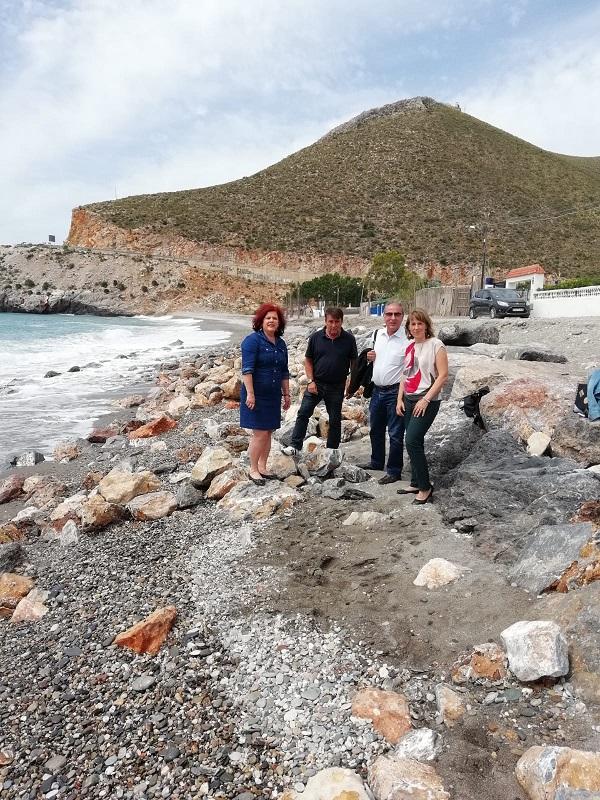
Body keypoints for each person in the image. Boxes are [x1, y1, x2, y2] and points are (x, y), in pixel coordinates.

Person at [283, 307, 358, 454]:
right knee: (303, 413)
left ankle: (332, 451)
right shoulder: (316, 337)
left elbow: (354, 363)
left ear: (342, 321)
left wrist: (352, 383)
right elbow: (308, 360)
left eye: (337, 322)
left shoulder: (349, 339)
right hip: (316, 384)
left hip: (337, 386)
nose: (334, 325)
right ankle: (295, 446)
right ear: (325, 321)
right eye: (331, 321)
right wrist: (310, 381)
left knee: (335, 420)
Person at [396, 308, 448, 504]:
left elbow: (443, 375)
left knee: (412, 440)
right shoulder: (409, 346)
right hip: (409, 399)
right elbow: (405, 374)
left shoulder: (436, 345)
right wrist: (399, 399)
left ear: (426, 325)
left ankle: (426, 488)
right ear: (408, 327)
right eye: (412, 324)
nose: (416, 327)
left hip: (427, 401)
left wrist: (426, 399)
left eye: (419, 323)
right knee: (412, 441)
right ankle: (416, 481)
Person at [357, 300, 409, 484]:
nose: (392, 318)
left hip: (396, 391)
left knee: (395, 433)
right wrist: (370, 356)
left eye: (397, 314)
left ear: (402, 316)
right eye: (389, 314)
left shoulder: (407, 339)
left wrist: (402, 397)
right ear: (383, 316)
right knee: (375, 430)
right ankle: (376, 462)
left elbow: (409, 370)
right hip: (377, 390)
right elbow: (374, 358)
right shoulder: (377, 334)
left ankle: (394, 471)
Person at [240, 303, 291, 485]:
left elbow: (284, 371)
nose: (271, 321)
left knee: (269, 432)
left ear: (279, 322)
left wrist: (286, 394)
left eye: (275, 318)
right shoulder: (252, 341)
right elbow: (247, 370)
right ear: (261, 321)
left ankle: (262, 467)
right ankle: (253, 469)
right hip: (257, 395)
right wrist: (250, 394)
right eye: (267, 318)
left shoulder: (281, 343)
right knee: (260, 433)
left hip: (273, 395)